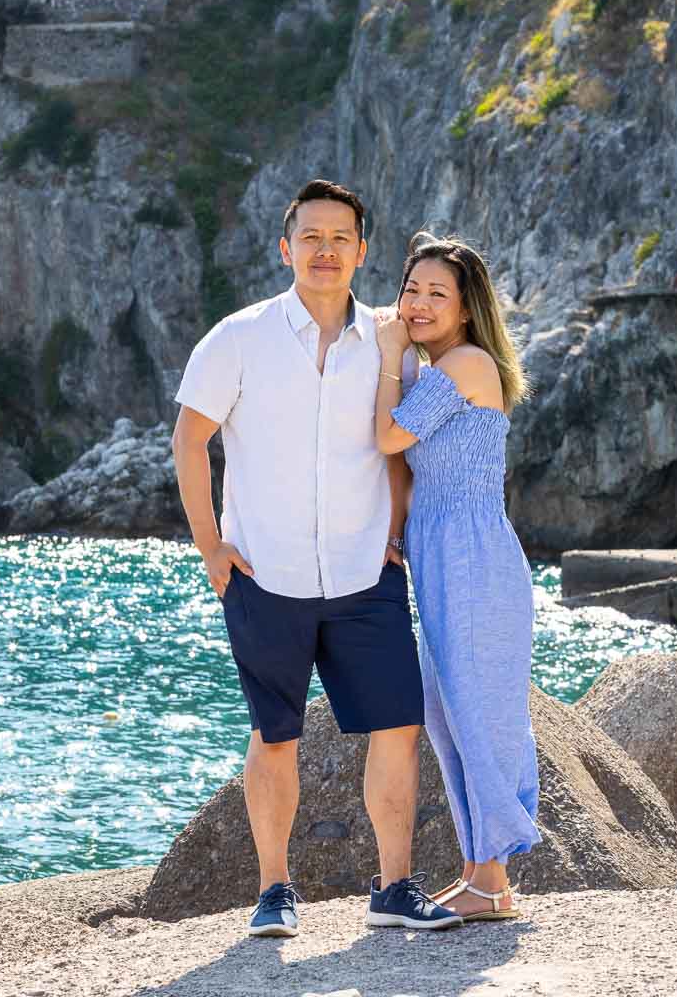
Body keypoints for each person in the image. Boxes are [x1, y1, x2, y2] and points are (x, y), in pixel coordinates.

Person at [172, 181, 463, 937]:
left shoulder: (390, 339)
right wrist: (211, 546)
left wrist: (398, 531)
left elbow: (398, 444)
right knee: (276, 734)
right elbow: (188, 439)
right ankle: (274, 891)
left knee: (397, 725)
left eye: (341, 238)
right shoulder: (239, 337)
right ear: (286, 248)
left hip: (367, 571)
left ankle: (394, 888)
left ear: (362, 251)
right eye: (311, 237)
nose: (326, 250)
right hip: (265, 572)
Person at [374, 233, 541, 923]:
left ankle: (494, 873)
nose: (418, 303)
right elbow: (406, 467)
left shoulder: (467, 363)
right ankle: (481, 877)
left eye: (436, 293)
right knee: (445, 715)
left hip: (475, 561)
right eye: (411, 289)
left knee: (477, 710)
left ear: (467, 309)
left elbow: (388, 438)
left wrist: (388, 357)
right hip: (442, 558)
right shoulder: (436, 369)